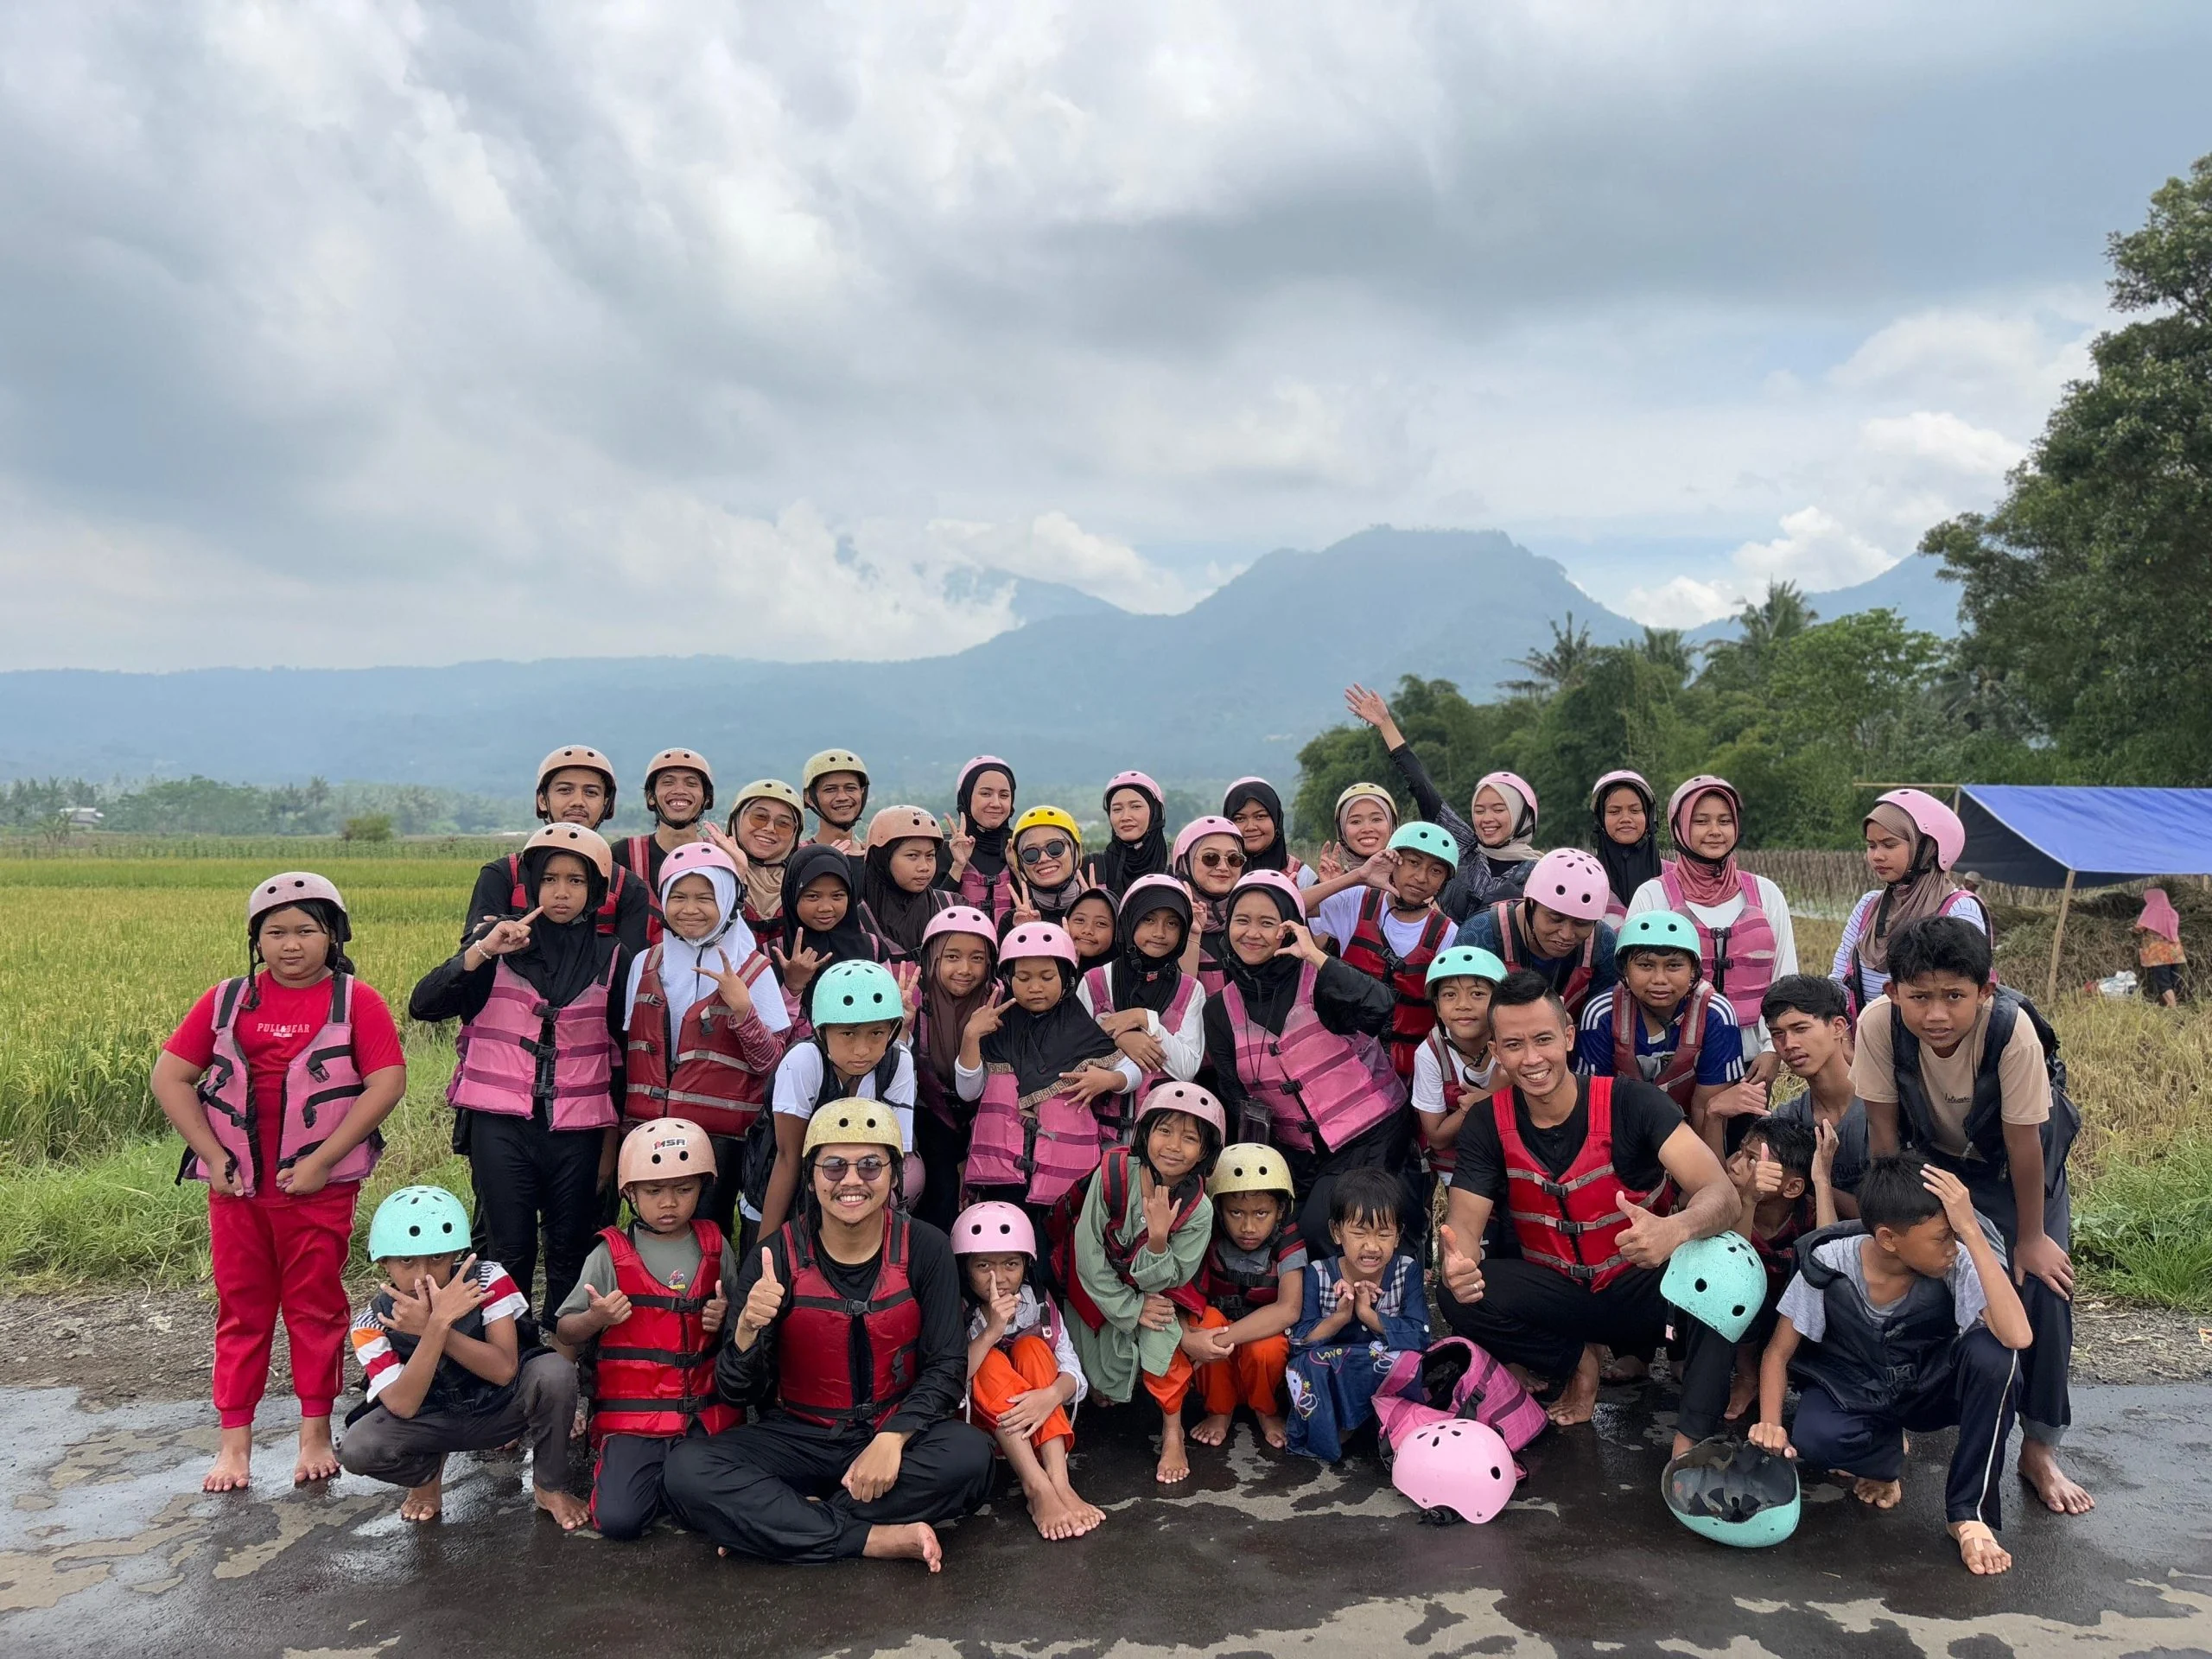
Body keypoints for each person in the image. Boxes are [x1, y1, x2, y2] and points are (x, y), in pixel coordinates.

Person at [153, 872, 405, 1493]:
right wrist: (211, 1155)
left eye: (305, 930)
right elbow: (170, 1077)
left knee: (315, 1308)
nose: (290, 945)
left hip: (315, 1188)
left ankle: (314, 1433)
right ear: (256, 940)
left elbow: (387, 1081)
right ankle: (233, 1444)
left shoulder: (356, 1002)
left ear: (333, 935)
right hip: (237, 1188)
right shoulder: (228, 1001)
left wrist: (324, 1158)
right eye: (275, 932)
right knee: (241, 1311)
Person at [662, 1103, 995, 1570]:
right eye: (834, 1166)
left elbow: (946, 1366)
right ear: (813, 1176)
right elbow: (737, 1390)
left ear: (894, 1175)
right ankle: (872, 1537)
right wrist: (745, 1334)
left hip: (889, 1429)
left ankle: (783, 1525)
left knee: (970, 1456)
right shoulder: (772, 1256)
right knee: (686, 1472)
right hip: (799, 1436)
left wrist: (893, 1439)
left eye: (870, 1165)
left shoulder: (926, 1248)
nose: (852, 1181)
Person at [1434, 971, 1741, 1450]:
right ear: (1496, 1051)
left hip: (1640, 1282)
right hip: (1560, 1297)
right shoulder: (1485, 1123)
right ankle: (1578, 1363)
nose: (1532, 1059)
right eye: (1514, 1045)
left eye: (1543, 1039)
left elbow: (1722, 1194)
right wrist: (1458, 1264)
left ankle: (1691, 1442)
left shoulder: (1634, 1103)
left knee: (1726, 1271)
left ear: (1569, 1036)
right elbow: (1464, 1225)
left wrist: (1674, 1229)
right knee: (1458, 1295)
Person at [1854, 914, 2092, 1516]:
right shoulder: (1878, 1026)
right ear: (1892, 992)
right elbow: (1883, 1138)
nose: (1937, 1014)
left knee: (2041, 1286)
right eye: (1921, 997)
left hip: (2020, 1172)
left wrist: (2032, 1238)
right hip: (1934, 1159)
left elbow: (2025, 1146)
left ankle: (2039, 1446)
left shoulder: (2011, 1033)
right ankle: (1905, 1408)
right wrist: (1895, 1227)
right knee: (1913, 1271)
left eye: (1955, 996)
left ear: (1985, 991)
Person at [1751, 1155, 2033, 1576]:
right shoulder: (1828, 1263)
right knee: (1814, 1436)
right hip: (1858, 1389)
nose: (1951, 1246)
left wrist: (1971, 1231)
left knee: (1996, 1358)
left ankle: (1969, 1515)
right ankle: (1883, 1461)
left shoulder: (1957, 1257)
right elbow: (1778, 1353)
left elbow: (2018, 1337)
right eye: (1942, 1237)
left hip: (1927, 1389)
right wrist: (1770, 1423)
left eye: (1954, 1234)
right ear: (1888, 1238)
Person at [411, 823, 628, 1342]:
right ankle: (507, 1355)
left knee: (568, 1247)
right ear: (530, 884)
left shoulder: (615, 957)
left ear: (594, 892)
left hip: (575, 1130)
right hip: (501, 1127)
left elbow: (624, 1055)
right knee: (506, 1250)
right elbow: (424, 1005)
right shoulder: (499, 944)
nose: (561, 891)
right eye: (549, 878)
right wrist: (484, 951)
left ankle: (561, 1356)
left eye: (576, 881)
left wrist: (612, 1142)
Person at [340, 1185, 585, 1529]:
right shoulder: (370, 1323)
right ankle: (425, 1480)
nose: (424, 1274)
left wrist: (436, 1326)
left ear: (457, 1254)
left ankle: (549, 1485)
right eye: (406, 1260)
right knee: (359, 1447)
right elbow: (403, 1405)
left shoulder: (488, 1278)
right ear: (383, 1263)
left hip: (501, 1408)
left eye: (438, 1258)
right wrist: (435, 1326)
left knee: (554, 1373)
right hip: (430, 1420)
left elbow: (504, 1369)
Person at [1204, 868, 1415, 1252]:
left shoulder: (1319, 976)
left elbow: (1381, 1007)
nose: (1252, 933)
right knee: (1285, 1235)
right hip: (1299, 1152)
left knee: (1322, 1227)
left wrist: (1318, 957)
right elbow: (1235, 1095)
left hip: (1372, 1132)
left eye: (1267, 923)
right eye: (1242, 921)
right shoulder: (1220, 1009)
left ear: (1289, 927)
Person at [553, 1119, 737, 1540]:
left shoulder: (715, 1243)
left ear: (701, 1188)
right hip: (635, 1421)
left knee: (722, 1505)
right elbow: (566, 1331)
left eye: (684, 1189)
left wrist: (725, 1317)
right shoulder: (609, 1254)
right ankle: (663, 1483)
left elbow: (743, 1319)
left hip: (704, 1418)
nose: (669, 1203)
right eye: (654, 1191)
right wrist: (597, 1318)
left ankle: (678, 1483)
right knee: (618, 1521)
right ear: (630, 1194)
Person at [620, 842, 791, 1245]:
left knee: (709, 1240)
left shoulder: (754, 969)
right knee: (649, 1238)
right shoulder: (644, 963)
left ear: (729, 902)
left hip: (721, 1141)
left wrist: (743, 1010)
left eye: (705, 897)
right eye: (678, 897)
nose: (689, 909)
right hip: (649, 1129)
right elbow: (633, 1050)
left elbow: (773, 1064)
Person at [1062, 1082, 1224, 1485]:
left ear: (1204, 1153)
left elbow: (1177, 1276)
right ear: (1146, 1132)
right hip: (1096, 1285)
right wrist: (1129, 1308)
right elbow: (1088, 1253)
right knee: (1098, 1369)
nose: (1173, 1146)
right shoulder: (1113, 1173)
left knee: (1163, 1341)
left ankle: (1173, 1431)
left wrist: (1156, 1239)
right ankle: (1109, 1387)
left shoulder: (1200, 1209)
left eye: (1190, 1139)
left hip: (1159, 1290)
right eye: (1164, 1130)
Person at [957, 923, 1141, 1224]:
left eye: (1047, 977)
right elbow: (969, 1091)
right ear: (1008, 979)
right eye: (1024, 978)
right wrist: (970, 1038)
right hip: (1002, 1182)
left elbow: (1131, 1070)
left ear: (1067, 979)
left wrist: (1109, 1079)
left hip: (1064, 1183)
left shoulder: (1082, 1028)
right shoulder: (995, 1027)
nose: (1035, 987)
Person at [948, 1202, 1102, 1541]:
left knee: (1032, 1348)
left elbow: (1075, 1376)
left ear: (1026, 1265)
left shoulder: (1039, 1304)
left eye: (1011, 1264)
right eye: (983, 1265)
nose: (998, 1278)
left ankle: (1059, 1482)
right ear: (964, 1268)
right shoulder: (955, 1310)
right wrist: (990, 1332)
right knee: (988, 1360)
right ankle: (1036, 1486)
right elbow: (949, 1385)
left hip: (1038, 1416)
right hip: (987, 1429)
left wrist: (1048, 1397)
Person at [1627, 775, 1798, 1079]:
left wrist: (1772, 1049)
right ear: (1679, 827)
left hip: (1753, 1058)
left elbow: (1785, 978)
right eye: (1701, 821)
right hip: (1673, 1057)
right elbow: (1634, 980)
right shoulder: (1652, 896)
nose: (1715, 832)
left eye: (1724, 820)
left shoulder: (1766, 893)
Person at [1341, 683, 1541, 920]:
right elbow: (1423, 789)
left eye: (1499, 809)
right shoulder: (1465, 848)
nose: (1487, 819)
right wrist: (1386, 723)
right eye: (1479, 810)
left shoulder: (1540, 872)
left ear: (1521, 816)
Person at [759, 962, 918, 1238]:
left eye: (877, 1033)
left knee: (915, 1173)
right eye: (847, 1033)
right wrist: (764, 1250)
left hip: (855, 1189)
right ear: (822, 1031)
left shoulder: (898, 1061)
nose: (862, 1049)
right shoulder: (802, 1062)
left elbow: (895, 1157)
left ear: (892, 1031)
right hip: (787, 1189)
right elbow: (788, 1158)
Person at [1284, 1167, 1430, 1462]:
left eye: (1384, 1234)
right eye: (1359, 1233)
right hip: (1335, 1361)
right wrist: (1340, 1316)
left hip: (1381, 1358)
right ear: (1337, 1232)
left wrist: (1367, 1314)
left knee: (1412, 1361)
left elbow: (1421, 1334)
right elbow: (1299, 1339)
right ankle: (1336, 1428)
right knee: (1305, 1365)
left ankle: (1393, 1422)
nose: (1372, 1246)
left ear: (1398, 1235)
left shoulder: (1406, 1270)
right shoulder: (1319, 1272)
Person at [1574, 910, 1748, 1149]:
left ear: (1694, 971)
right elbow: (1595, 1105)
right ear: (1625, 968)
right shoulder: (1601, 1014)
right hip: (1619, 1135)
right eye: (1645, 965)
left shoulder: (1716, 1015)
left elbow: (1705, 1109)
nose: (1659, 979)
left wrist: (1698, 1180)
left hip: (1689, 1135)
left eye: (1674, 966)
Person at [461, 746, 650, 952]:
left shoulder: (628, 887)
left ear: (606, 803)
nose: (578, 801)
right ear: (543, 800)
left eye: (591, 792)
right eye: (565, 790)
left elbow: (630, 970)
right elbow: (472, 960)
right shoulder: (502, 875)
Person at [1315, 821, 1460, 1084]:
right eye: (1413, 863)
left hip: (1406, 1072)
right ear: (1394, 861)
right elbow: (1284, 906)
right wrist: (1358, 876)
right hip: (1342, 1062)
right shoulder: (1358, 900)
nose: (1421, 877)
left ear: (1444, 882)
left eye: (1436, 871)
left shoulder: (1447, 934)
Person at [1186, 1143, 1306, 1451]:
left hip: (1254, 1348)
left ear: (1281, 1210)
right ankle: (1219, 1409)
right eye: (1235, 1212)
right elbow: (1185, 1296)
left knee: (1266, 1347)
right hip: (1216, 1354)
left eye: (1261, 1213)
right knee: (1204, 1322)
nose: (1248, 1227)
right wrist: (1201, 1338)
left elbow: (1289, 1309)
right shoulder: (1206, 1235)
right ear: (1218, 1209)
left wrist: (1225, 1339)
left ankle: (1266, 1409)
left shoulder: (1289, 1239)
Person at [1834, 790, 1988, 1020]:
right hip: (1864, 1047)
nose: (1876, 856)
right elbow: (1839, 983)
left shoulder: (1958, 910)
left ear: (1926, 847)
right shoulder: (1868, 908)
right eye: (1872, 845)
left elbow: (1962, 996)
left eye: (1889, 844)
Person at [1720, 1115, 1832, 1419]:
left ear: (1793, 1187)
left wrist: (1821, 1180)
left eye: (1752, 1159)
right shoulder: (1731, 1201)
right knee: (1738, 1290)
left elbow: (1828, 1255)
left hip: (1795, 1317)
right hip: (1747, 1313)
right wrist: (1749, 1200)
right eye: (1740, 1152)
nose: (1736, 1164)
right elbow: (1734, 1262)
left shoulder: (1806, 1213)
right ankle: (1746, 1376)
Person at [1077, 875, 1206, 1122]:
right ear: (1129, 921)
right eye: (1148, 920)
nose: (1159, 933)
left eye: (1172, 924)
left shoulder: (1191, 990)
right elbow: (1075, 1049)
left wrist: (1145, 1019)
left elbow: (1187, 1069)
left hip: (1159, 1132)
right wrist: (1122, 1038)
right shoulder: (1095, 981)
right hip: (1096, 1126)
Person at [1452, 847, 1619, 1025]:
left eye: (1582, 923)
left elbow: (1609, 1018)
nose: (1566, 934)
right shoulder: (1480, 935)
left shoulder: (1604, 943)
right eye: (1555, 918)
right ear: (1530, 904)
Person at [911, 906, 999, 1231]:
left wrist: (972, 1036)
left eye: (977, 958)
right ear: (933, 958)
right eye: (952, 957)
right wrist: (902, 1032)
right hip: (928, 1126)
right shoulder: (915, 1001)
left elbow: (975, 1089)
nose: (965, 969)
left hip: (987, 1124)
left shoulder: (998, 1001)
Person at [1760, 975, 1866, 1215]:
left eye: (1800, 1029)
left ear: (1838, 1027)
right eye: (1777, 1034)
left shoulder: (1884, 1105)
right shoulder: (1789, 1118)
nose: (1789, 1044)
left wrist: (1815, 1183)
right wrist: (1715, 1117)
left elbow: (1902, 1212)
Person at [771, 842, 898, 1028]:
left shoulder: (872, 948)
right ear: (792, 896)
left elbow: (887, 1014)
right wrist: (793, 986)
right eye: (813, 896)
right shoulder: (776, 954)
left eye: (837, 896)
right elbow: (771, 1033)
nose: (826, 908)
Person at [1412, 946, 1506, 1185]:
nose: (1463, 1005)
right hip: (1457, 1166)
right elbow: (1437, 1138)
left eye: (1477, 994)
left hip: (1510, 1156)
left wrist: (1490, 1096)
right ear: (1437, 1005)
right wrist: (1484, 1100)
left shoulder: (1512, 1041)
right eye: (1449, 995)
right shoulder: (1430, 1054)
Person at [609, 747, 715, 946]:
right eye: (668, 782)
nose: (679, 790)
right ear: (651, 797)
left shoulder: (723, 855)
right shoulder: (622, 855)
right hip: (635, 971)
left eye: (691, 783)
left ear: (707, 798)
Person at [857, 805, 953, 963]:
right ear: (882, 858)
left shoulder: (950, 906)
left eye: (930, 856)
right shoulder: (859, 922)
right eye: (912, 856)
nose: (924, 867)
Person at [721, 779, 805, 945]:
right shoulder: (710, 868)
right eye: (759, 817)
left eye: (784, 824)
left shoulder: (802, 879)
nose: (770, 828)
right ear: (737, 819)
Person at [1171, 815, 1247, 995]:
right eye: (1210, 857)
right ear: (1186, 861)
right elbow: (1179, 997)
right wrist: (1191, 935)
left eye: (1234, 859)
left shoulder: (1247, 913)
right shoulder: (1168, 916)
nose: (1223, 867)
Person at [1302, 781, 1401, 914]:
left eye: (1376, 819)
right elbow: (1287, 908)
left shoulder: (1410, 876)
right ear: (1342, 831)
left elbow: (1435, 924)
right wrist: (1334, 886)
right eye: (1355, 821)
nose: (1367, 829)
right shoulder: (1336, 881)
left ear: (1392, 825)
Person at [944, 757, 1020, 925]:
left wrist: (1017, 869)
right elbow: (930, 913)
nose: (996, 803)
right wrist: (957, 866)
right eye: (985, 793)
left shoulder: (1020, 848)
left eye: (1004, 795)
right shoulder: (943, 852)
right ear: (966, 796)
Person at [1589, 770, 1661, 927]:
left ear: (1649, 816)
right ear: (1601, 818)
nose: (1626, 819)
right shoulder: (1587, 877)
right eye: (1614, 812)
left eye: (1635, 811)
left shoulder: (1672, 877)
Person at [1084, 769, 1170, 899]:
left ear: (1155, 812)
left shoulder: (1174, 876)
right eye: (1117, 809)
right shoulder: (1091, 869)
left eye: (1136, 807)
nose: (1125, 817)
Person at [1004, 806, 1087, 931]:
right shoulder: (1013, 921)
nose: (1043, 858)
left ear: (1075, 850)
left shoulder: (1103, 910)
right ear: (1021, 863)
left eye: (1055, 847)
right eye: (1030, 853)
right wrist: (1025, 933)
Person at [1223, 777, 1313, 889]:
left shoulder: (1303, 877)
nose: (1250, 827)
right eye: (1240, 819)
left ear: (1277, 820)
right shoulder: (1218, 874)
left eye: (1260, 816)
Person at [801, 748, 871, 848]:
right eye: (830, 790)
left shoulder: (875, 859)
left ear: (862, 792)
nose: (842, 797)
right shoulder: (798, 858)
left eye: (851, 788)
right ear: (809, 798)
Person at [2136, 887, 2187, 1007]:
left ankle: (2174, 1010)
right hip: (2175, 953)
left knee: (2163, 983)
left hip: (2160, 954)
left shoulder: (2150, 911)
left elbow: (2139, 928)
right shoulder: (2173, 913)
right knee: (2172, 980)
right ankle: (2172, 1005)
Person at [1063, 887, 1121, 981]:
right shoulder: (1049, 968)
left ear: (1116, 931)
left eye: (1101, 923)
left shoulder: (1123, 978)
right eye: (1080, 920)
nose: (1088, 930)